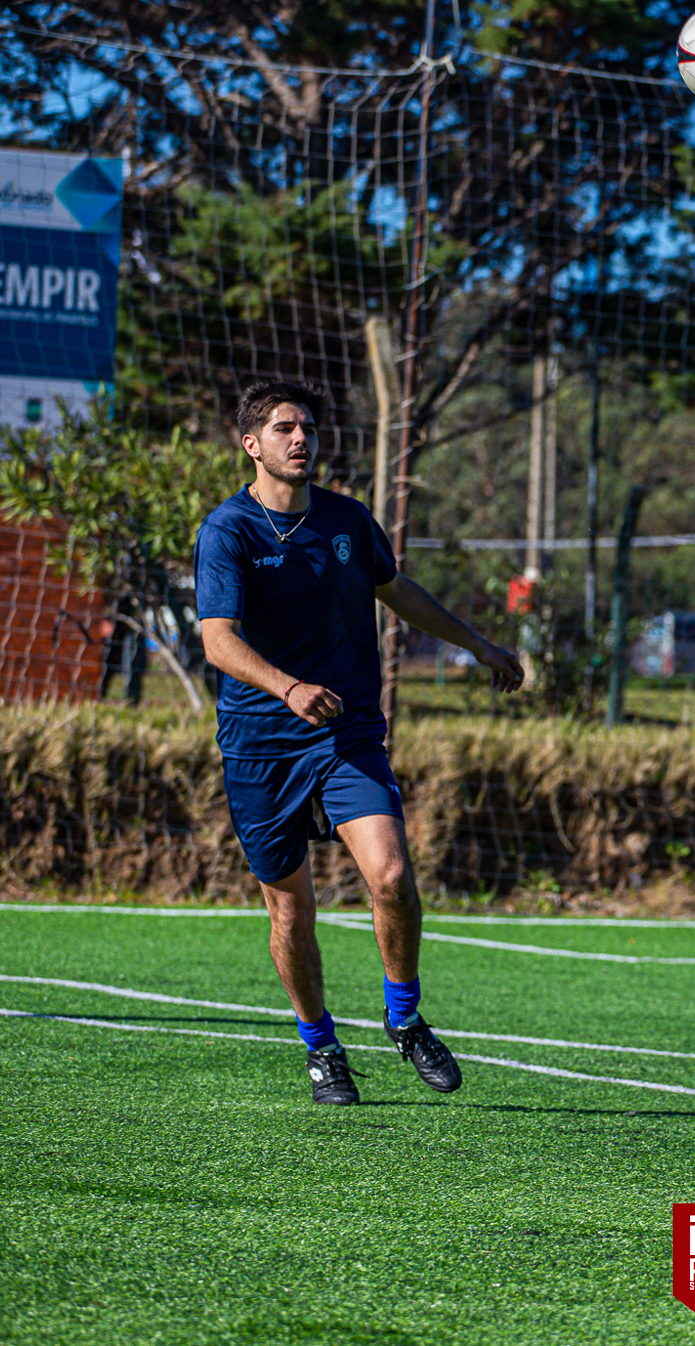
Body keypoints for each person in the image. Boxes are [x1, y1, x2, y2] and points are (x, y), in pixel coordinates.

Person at [194, 380, 524, 1107]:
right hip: (260, 745)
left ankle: (403, 1018)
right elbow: (218, 640)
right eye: (284, 428)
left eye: (308, 427)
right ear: (251, 445)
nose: (301, 439)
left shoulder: (346, 518)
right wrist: (287, 687)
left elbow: (395, 588)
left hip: (346, 732)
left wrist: (476, 643)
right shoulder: (228, 531)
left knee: (392, 876)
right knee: (290, 912)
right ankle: (321, 1047)